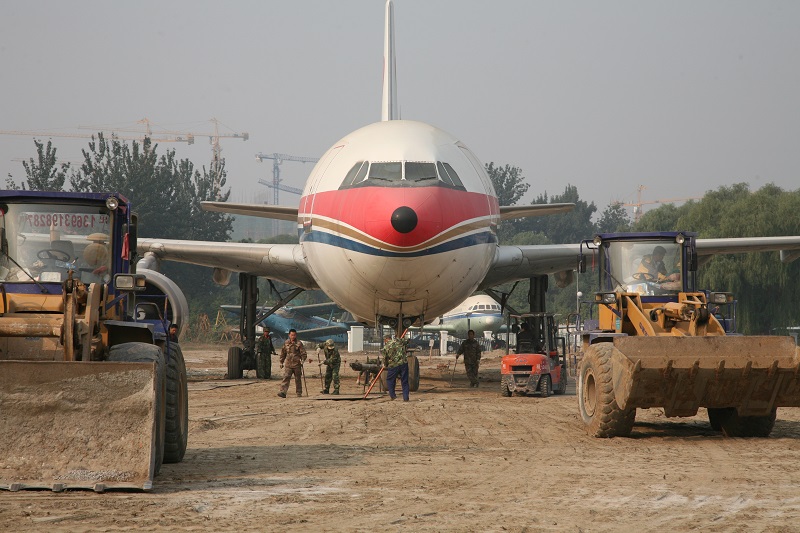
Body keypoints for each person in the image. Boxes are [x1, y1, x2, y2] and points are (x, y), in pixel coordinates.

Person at [278, 329, 307, 398]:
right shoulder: (286, 343)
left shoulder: (299, 343)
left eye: (294, 335)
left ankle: (299, 392)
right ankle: (283, 392)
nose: (293, 336)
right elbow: (283, 353)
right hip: (288, 364)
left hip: (297, 364)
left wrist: (302, 360)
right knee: (286, 378)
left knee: (298, 379)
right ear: (289, 335)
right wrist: (281, 362)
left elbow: (303, 353)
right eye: (291, 335)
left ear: (296, 335)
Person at [382, 335, 410, 401]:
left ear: (386, 339)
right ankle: (406, 397)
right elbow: (407, 340)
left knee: (390, 380)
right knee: (405, 381)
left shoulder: (386, 347)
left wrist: (385, 365)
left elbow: (385, 358)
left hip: (393, 365)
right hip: (403, 364)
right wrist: (399, 338)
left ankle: (393, 396)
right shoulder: (398, 341)